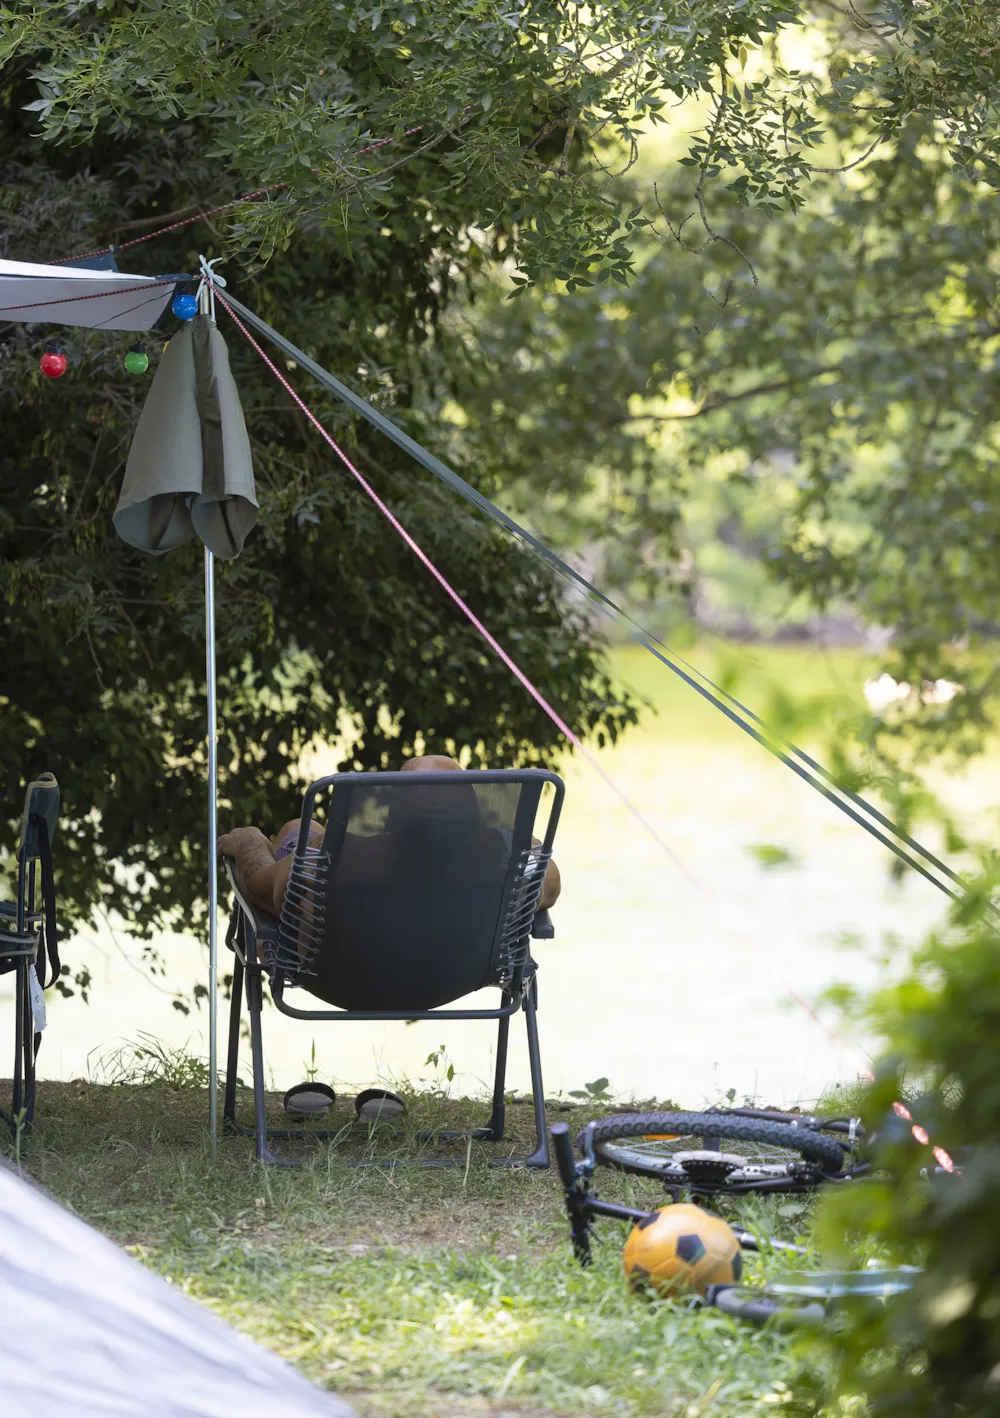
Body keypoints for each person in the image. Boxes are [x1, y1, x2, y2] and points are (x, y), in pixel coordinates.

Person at [217, 754, 561, 920]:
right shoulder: (500, 865)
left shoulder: (334, 863)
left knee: (297, 829)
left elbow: (259, 887)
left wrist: (250, 844)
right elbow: (549, 879)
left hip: (346, 980)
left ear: (389, 816)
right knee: (301, 833)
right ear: (473, 816)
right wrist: (504, 843)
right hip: (456, 978)